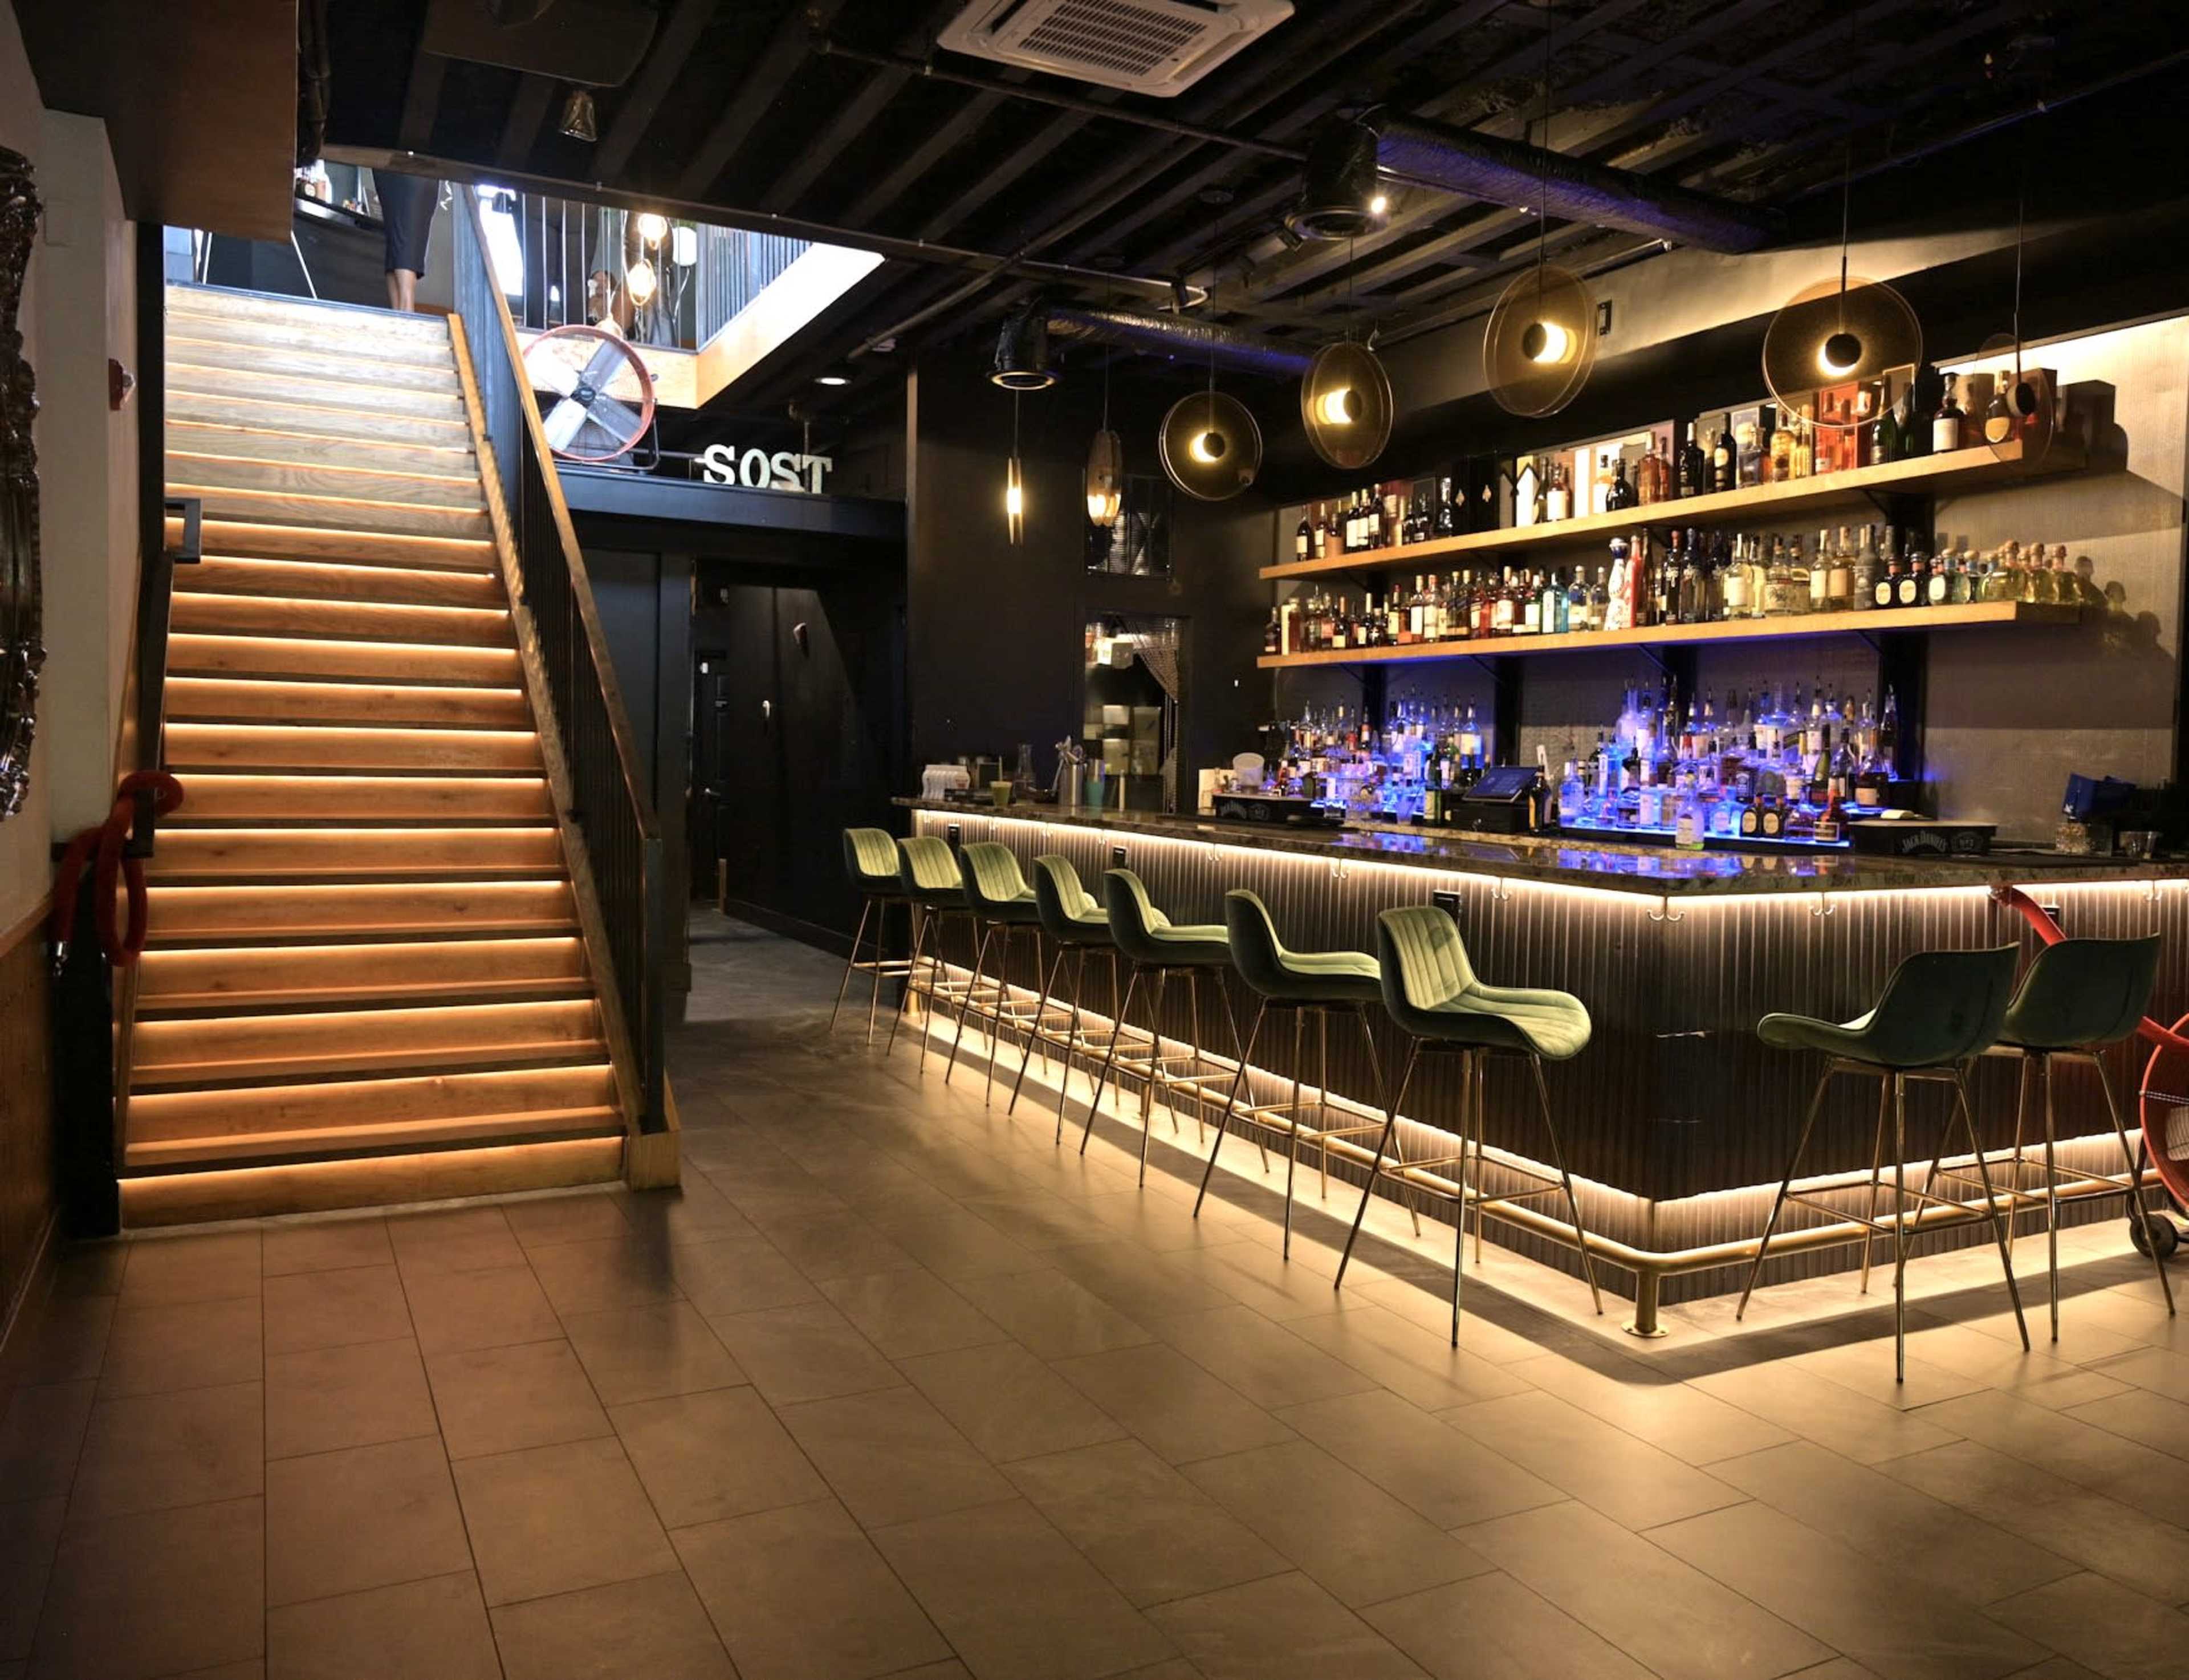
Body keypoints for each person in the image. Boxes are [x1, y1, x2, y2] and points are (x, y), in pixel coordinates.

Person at [375, 170, 438, 313]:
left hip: (413, 168)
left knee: (404, 245)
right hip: (399, 167)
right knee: (397, 244)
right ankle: (401, 315)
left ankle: (406, 316)